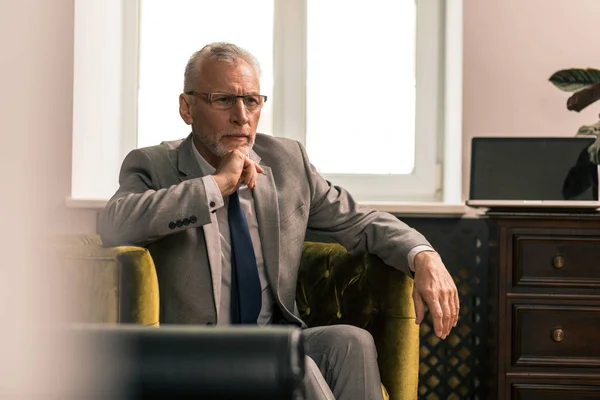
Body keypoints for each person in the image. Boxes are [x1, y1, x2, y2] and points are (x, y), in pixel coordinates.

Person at [99, 42, 459, 400]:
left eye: (252, 101)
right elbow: (114, 223)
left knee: (350, 342)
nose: (241, 116)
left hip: (274, 338)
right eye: (224, 99)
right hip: (197, 354)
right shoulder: (154, 165)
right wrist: (216, 185)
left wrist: (423, 255)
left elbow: (359, 221)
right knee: (294, 370)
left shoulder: (286, 161)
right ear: (187, 107)